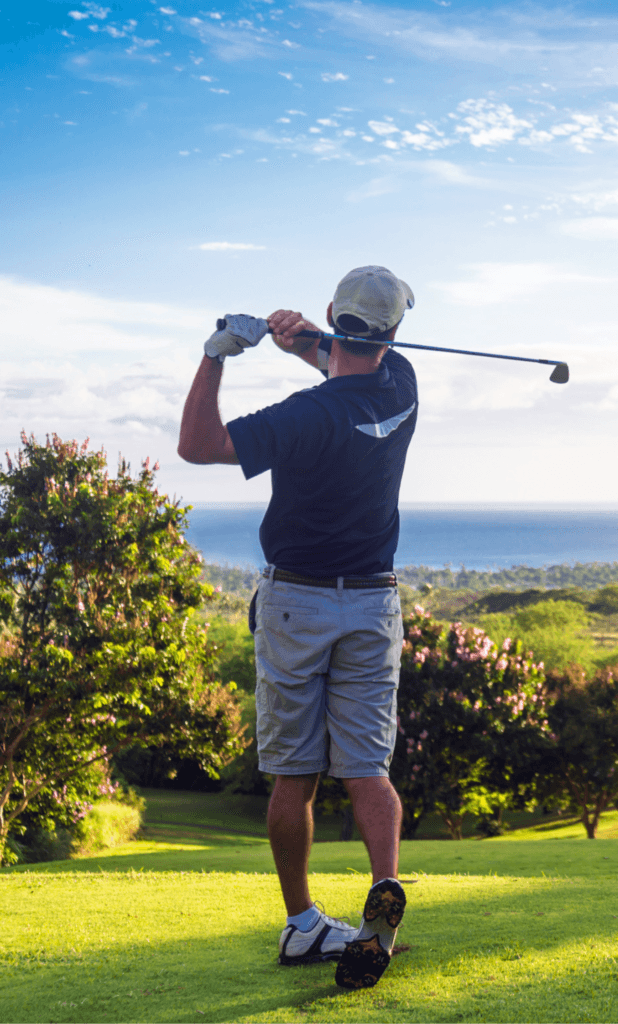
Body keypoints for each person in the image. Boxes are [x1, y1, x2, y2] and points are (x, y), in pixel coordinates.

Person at [177, 265, 417, 990]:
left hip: (297, 605)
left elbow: (198, 445)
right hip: (373, 603)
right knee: (367, 768)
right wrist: (301, 340)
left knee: (295, 773)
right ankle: (383, 892)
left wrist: (217, 354)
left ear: (333, 313)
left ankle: (303, 924)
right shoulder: (402, 384)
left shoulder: (303, 416)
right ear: (394, 330)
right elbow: (342, 359)